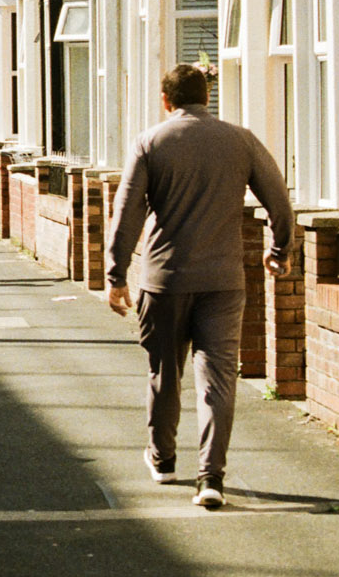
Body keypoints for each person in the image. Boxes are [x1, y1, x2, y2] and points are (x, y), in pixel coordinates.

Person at [106, 64, 294, 510]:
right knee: (218, 380)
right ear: (206, 97)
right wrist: (280, 249)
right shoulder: (241, 140)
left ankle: (163, 459)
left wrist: (115, 276)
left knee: (164, 373)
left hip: (165, 280)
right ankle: (211, 477)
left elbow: (127, 212)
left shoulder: (151, 142)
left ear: (166, 100)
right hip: (223, 282)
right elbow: (279, 200)